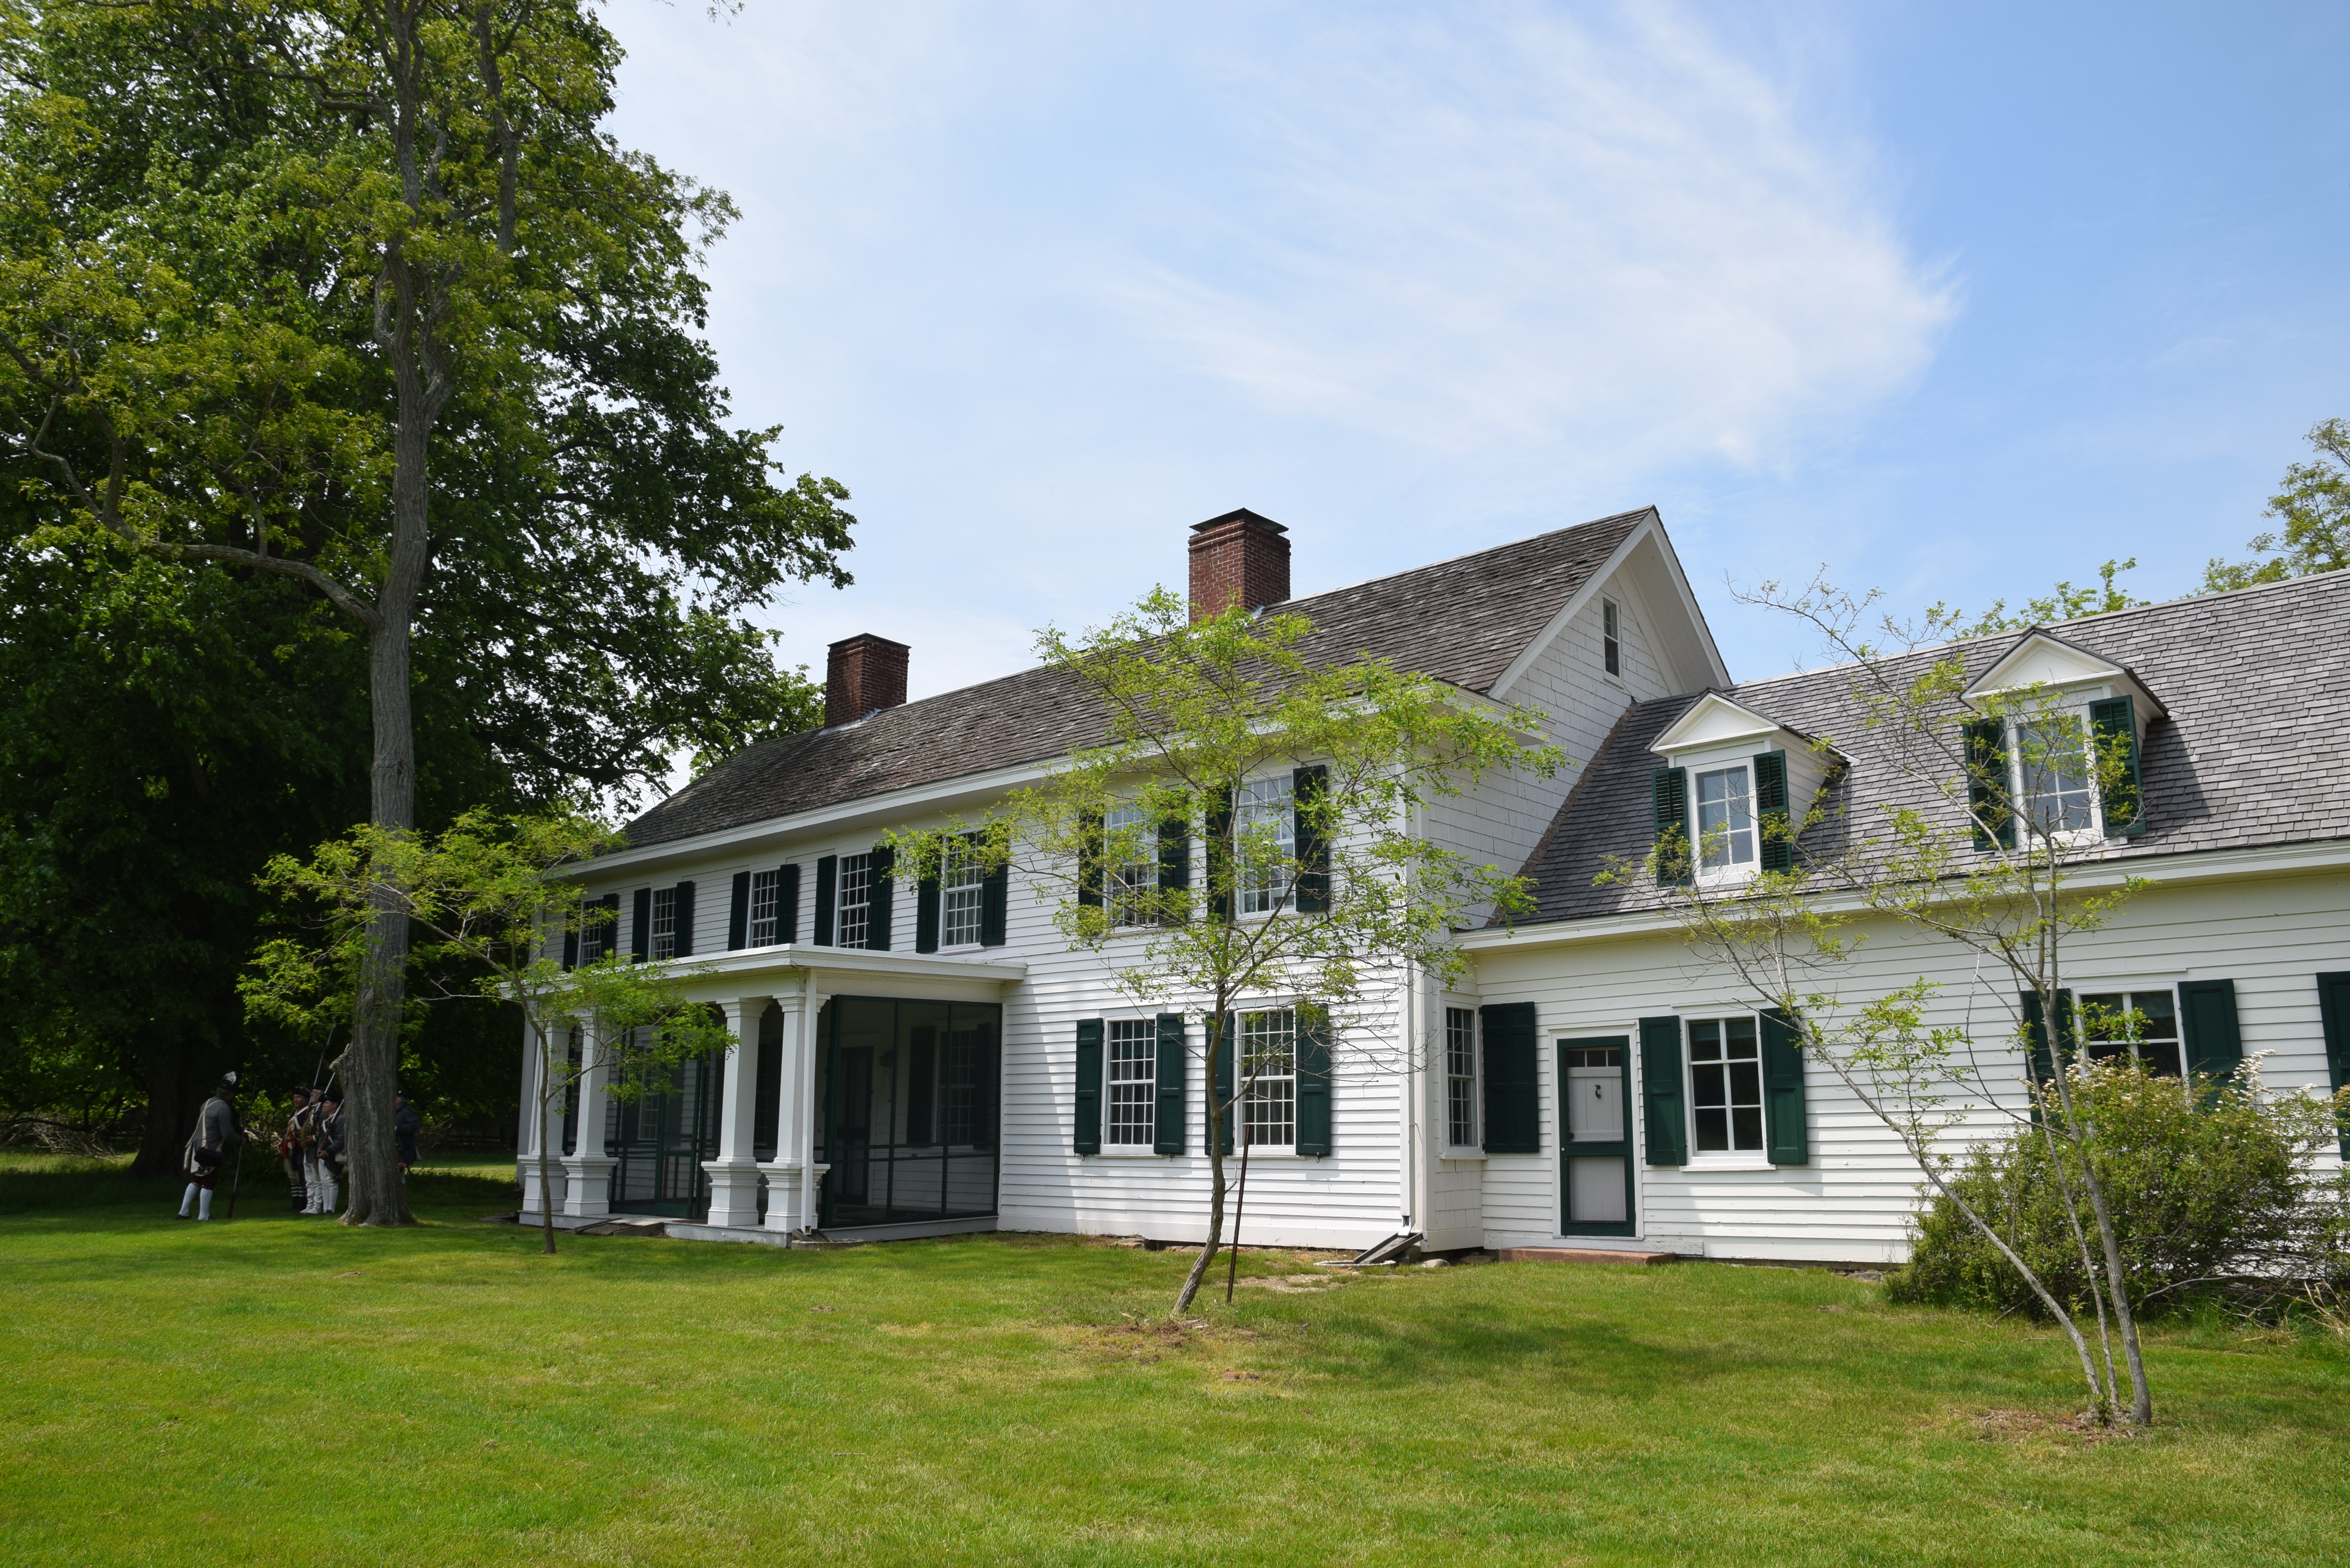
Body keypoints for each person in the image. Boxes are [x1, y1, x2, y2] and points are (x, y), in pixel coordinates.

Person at [178, 1073, 245, 1221]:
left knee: (196, 1179)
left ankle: (184, 1212)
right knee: (209, 1181)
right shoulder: (224, 1108)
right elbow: (227, 1133)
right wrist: (240, 1141)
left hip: (198, 1146)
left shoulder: (207, 1103)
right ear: (231, 1094)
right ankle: (203, 1215)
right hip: (210, 1149)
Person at [313, 1089, 345, 1217]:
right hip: (324, 1153)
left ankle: (331, 1209)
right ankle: (326, 1208)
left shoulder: (340, 1119)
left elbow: (341, 1139)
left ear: (335, 1105)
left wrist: (328, 1152)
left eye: (327, 1103)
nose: (324, 1105)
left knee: (332, 1180)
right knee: (324, 1181)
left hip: (332, 1154)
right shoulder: (328, 1119)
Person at [278, 1088, 312, 1214]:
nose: (296, 1100)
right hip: (290, 1147)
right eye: (295, 1097)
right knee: (293, 1177)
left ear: (306, 1100)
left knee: (301, 1177)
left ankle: (302, 1203)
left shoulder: (308, 1112)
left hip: (300, 1148)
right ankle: (295, 1203)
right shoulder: (295, 1113)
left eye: (299, 1097)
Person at [393, 1090, 421, 1175]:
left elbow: (415, 1125)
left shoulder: (407, 1111)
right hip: (396, 1146)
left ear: (400, 1100)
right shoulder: (396, 1112)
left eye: (395, 1097)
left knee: (400, 1171)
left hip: (403, 1146)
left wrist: (397, 1129)